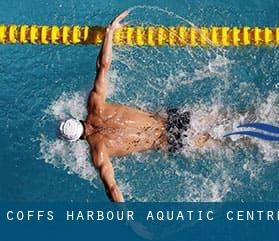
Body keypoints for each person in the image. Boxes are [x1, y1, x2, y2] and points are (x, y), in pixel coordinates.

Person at [58, 11, 210, 202]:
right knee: (226, 118)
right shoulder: (95, 105)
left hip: (171, 140)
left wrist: (129, 221)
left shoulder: (99, 152)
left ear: (76, 140)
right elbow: (103, 66)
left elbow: (112, 189)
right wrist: (109, 33)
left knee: (228, 141)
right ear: (76, 119)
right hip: (172, 118)